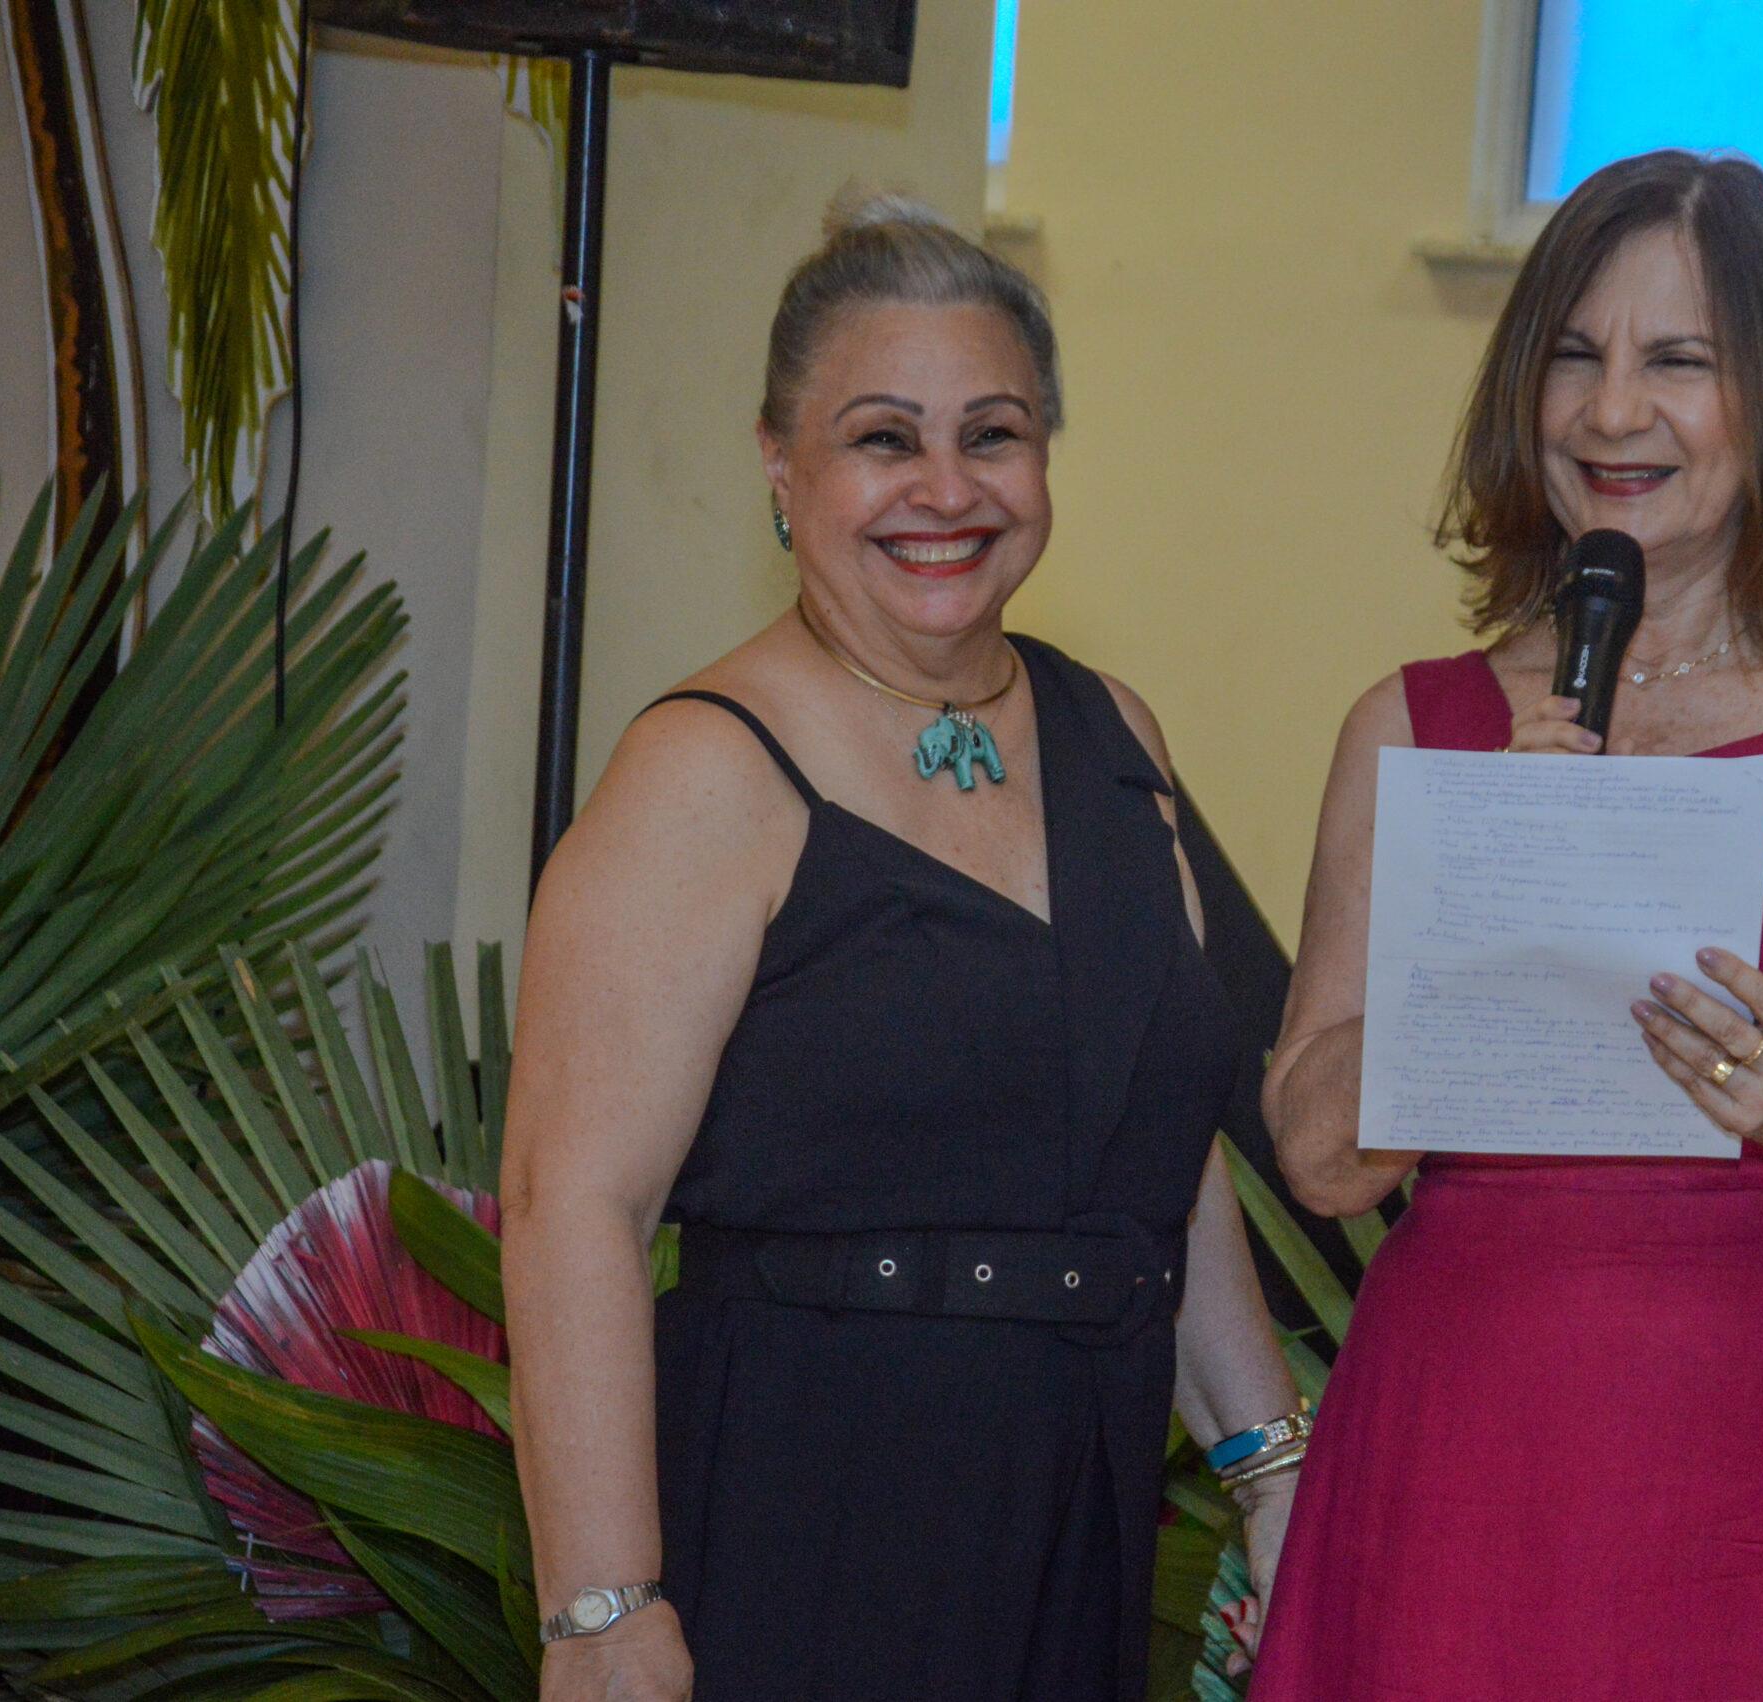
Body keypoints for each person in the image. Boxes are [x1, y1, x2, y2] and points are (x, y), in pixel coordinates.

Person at [1248, 151, 1763, 1699]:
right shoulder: (1413, 725)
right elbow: (1325, 1159)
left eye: (1679, 360)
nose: (1613, 412)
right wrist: (1492, 894)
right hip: (1475, 1475)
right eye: (1575, 355)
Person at [499, 197, 1301, 1702]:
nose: (946, 488)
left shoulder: (1117, 737)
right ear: (780, 464)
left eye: (992, 435)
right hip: (804, 1514)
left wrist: (1269, 1465)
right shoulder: (705, 770)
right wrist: (603, 1613)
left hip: (1079, 1521)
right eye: (884, 438)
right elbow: (571, 1203)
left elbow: (1150, 1138)